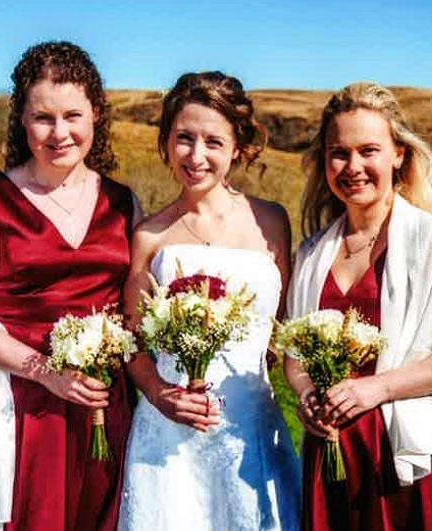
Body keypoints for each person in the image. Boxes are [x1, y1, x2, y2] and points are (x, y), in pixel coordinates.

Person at [0, 41, 141, 531]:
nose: (60, 132)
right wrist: (45, 371)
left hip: (101, 404)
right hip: (16, 402)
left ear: (96, 117)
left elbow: (138, 306)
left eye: (73, 115)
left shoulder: (123, 203)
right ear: (22, 120)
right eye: (43, 117)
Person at [283, 82, 432, 530]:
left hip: (412, 456)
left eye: (369, 150)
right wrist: (307, 397)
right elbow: (294, 356)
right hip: (334, 452)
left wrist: (376, 389)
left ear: (398, 154)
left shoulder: (430, 240)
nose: (353, 167)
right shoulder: (311, 254)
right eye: (339, 152)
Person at [118, 71, 301, 531]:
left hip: (248, 432)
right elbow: (132, 339)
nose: (196, 157)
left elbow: (281, 328)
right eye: (184, 138)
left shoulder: (272, 222)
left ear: (237, 147)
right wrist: (161, 395)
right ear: (165, 141)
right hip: (167, 437)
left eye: (213, 142)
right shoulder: (150, 235)